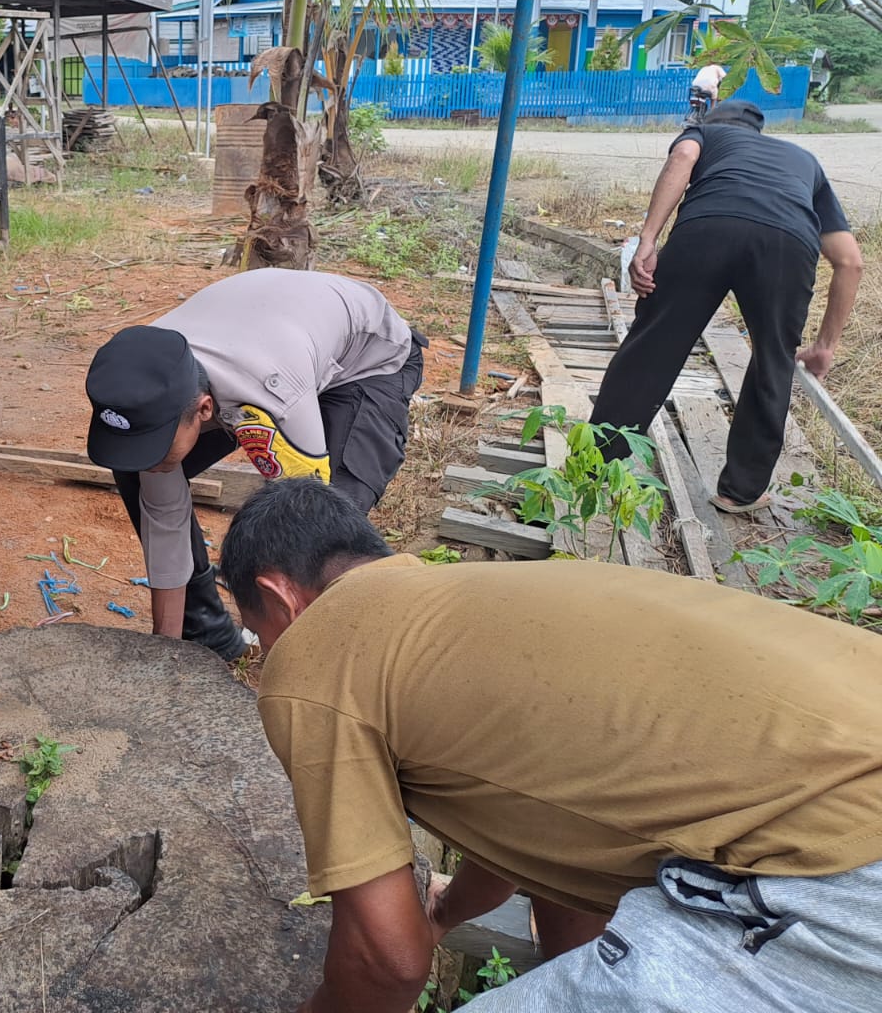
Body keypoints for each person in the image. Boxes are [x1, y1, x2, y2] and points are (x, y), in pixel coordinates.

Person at [220, 478, 882, 1013]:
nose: (268, 655)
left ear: (279, 598)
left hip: (836, 875)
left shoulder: (319, 652)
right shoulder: (469, 610)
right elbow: (532, 816)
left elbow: (386, 963)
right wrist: (446, 912)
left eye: (260, 634)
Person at [83, 269, 424, 660]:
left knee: (326, 518)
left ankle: (325, 659)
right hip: (268, 336)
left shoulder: (273, 395)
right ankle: (207, 636)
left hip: (366, 363)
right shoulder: (151, 376)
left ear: (205, 410)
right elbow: (164, 516)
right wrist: (165, 650)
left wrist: (275, 653)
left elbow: (307, 519)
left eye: (158, 444)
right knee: (139, 473)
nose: (153, 458)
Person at [591, 101, 863, 513]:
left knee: (651, 347)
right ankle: (740, 491)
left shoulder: (705, 135)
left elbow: (683, 157)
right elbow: (850, 262)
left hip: (707, 229)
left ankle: (597, 469)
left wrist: (647, 240)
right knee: (774, 361)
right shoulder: (804, 161)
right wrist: (825, 344)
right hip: (786, 246)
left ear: (709, 123)